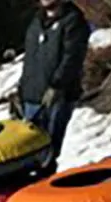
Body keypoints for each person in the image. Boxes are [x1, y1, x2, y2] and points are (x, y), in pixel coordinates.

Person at [18, 0, 91, 168]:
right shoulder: (36, 22)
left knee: (47, 152)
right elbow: (30, 60)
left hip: (58, 96)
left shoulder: (73, 21)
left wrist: (57, 85)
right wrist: (23, 89)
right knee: (29, 152)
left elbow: (72, 58)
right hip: (32, 96)